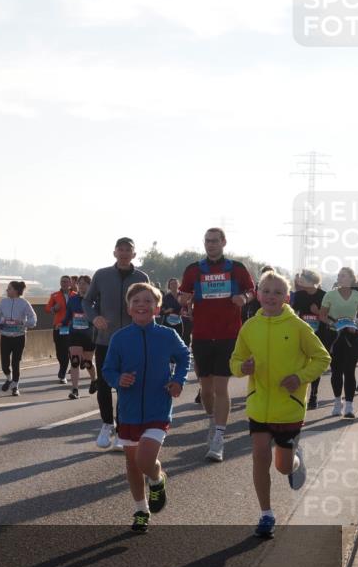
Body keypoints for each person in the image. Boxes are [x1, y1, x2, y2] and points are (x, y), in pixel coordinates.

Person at [230, 272, 330, 538]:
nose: (271, 296)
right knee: (259, 455)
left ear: (286, 297)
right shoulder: (250, 326)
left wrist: (299, 378)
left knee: (283, 466)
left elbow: (322, 358)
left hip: (289, 406)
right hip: (259, 404)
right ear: (258, 294)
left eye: (277, 292)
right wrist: (243, 367)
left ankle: (296, 461)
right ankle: (266, 514)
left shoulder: (298, 326)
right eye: (266, 291)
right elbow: (235, 361)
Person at [102, 283, 190, 533]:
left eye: (148, 301)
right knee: (132, 465)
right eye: (136, 301)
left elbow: (184, 357)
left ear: (157, 307)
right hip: (129, 411)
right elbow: (108, 370)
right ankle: (141, 510)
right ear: (129, 308)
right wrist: (118, 379)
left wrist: (178, 380)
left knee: (144, 459)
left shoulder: (167, 335)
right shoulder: (120, 338)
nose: (142, 305)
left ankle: (156, 478)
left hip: (158, 408)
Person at [177, 228, 256, 462]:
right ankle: (213, 419)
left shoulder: (237, 268)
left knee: (221, 388)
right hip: (201, 335)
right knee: (207, 391)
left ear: (223, 242)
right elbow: (182, 294)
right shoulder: (194, 269)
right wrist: (184, 299)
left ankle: (219, 438)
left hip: (228, 335)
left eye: (214, 241)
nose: (210, 245)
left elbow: (252, 290)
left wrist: (245, 298)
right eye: (207, 241)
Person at [83, 237, 150, 450]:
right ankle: (106, 424)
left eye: (127, 250)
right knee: (104, 383)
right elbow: (87, 301)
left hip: (131, 340)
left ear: (134, 254)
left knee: (126, 385)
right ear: (114, 253)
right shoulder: (102, 275)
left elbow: (148, 303)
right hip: (105, 339)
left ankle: (123, 430)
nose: (123, 253)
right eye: (120, 249)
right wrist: (94, 318)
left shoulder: (141, 277)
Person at [319, 267, 358, 418]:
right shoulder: (330, 295)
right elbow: (322, 315)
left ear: (351, 279)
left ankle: (349, 407)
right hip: (334, 337)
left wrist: (355, 325)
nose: (340, 278)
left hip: (351, 337)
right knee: (336, 371)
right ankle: (337, 403)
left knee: (349, 371)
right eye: (338, 275)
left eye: (343, 276)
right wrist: (333, 324)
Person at [291, 269, 331, 409]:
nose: (299, 280)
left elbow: (330, 319)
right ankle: (298, 395)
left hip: (320, 334)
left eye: (302, 278)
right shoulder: (299, 295)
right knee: (300, 363)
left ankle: (313, 395)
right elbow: (292, 312)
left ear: (311, 280)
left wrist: (318, 312)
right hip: (302, 334)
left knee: (314, 365)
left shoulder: (324, 295)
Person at [0, 281, 37, 396]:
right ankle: (9, 379)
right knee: (4, 363)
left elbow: (33, 319)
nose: (7, 290)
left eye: (9, 288)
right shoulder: (3, 302)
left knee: (15, 362)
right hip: (5, 336)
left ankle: (15, 387)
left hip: (19, 337)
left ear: (16, 291)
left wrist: (23, 322)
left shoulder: (24, 303)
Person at [63, 275, 97, 399]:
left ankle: (94, 380)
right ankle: (75, 390)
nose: (81, 286)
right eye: (80, 284)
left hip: (90, 335)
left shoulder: (95, 300)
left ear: (90, 286)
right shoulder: (72, 299)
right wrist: (61, 325)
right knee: (75, 361)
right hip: (75, 334)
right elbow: (67, 316)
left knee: (87, 362)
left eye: (84, 284)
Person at [45, 276, 73, 384]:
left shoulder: (75, 295)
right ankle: (63, 368)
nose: (64, 283)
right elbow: (47, 308)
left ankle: (62, 373)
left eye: (66, 281)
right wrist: (53, 309)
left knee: (68, 348)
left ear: (70, 283)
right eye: (62, 281)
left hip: (71, 327)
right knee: (60, 350)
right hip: (59, 327)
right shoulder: (55, 295)